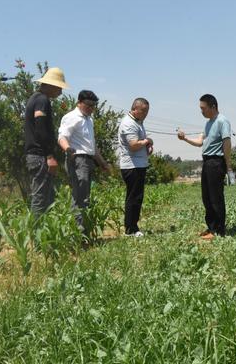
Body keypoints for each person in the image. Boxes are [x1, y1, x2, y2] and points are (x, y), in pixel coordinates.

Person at [178, 94, 234, 240]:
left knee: (216, 198)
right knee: (207, 197)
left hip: (217, 162)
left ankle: (219, 231)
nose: (201, 111)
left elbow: (227, 144)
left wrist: (228, 166)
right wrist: (185, 138)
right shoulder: (208, 123)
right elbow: (200, 142)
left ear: (213, 107)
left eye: (203, 108)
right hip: (207, 162)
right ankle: (211, 227)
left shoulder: (223, 121)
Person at [58, 90, 112, 235]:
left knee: (84, 196)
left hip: (88, 160)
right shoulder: (71, 117)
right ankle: (78, 233)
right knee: (80, 197)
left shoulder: (89, 120)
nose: (91, 109)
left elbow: (92, 146)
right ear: (79, 102)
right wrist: (68, 149)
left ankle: (83, 232)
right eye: (88, 105)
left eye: (93, 106)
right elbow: (62, 137)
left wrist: (103, 163)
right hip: (77, 158)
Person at [24, 67, 69, 217]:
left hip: (35, 155)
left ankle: (44, 235)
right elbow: (41, 128)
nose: (60, 92)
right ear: (50, 85)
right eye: (59, 88)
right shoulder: (42, 100)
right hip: (40, 157)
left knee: (46, 198)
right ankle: (38, 237)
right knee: (41, 198)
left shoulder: (34, 98)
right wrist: (49, 156)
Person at [118, 98, 153, 237]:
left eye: (147, 111)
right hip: (132, 165)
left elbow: (139, 144)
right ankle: (130, 229)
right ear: (134, 109)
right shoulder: (129, 123)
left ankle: (133, 226)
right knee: (133, 197)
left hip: (138, 164)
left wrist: (147, 145)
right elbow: (133, 145)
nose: (145, 114)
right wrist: (146, 141)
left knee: (136, 197)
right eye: (143, 111)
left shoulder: (137, 122)